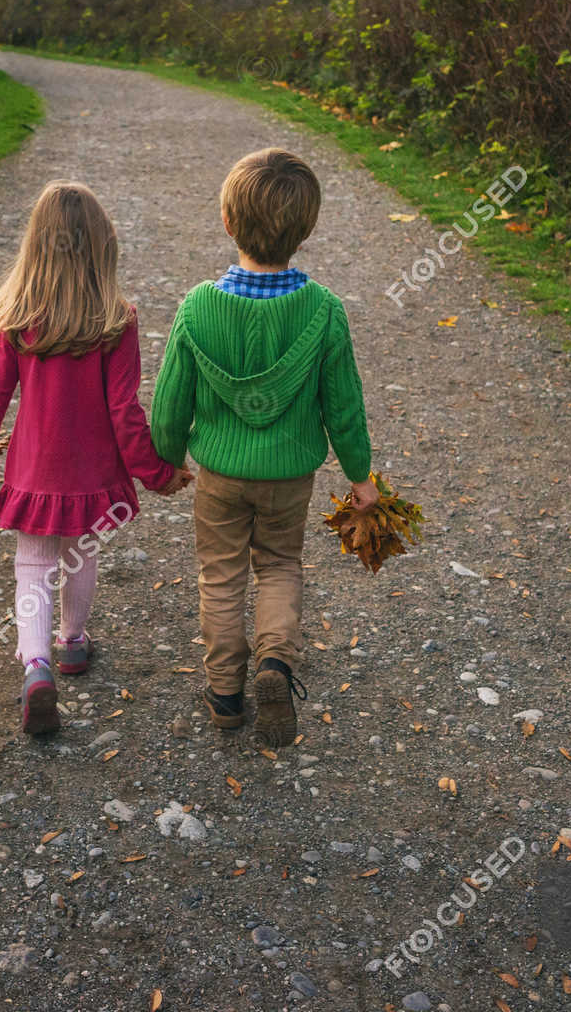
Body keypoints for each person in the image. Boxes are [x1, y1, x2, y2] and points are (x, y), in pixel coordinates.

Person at [0, 181, 192, 735]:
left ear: (35, 247)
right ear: (103, 247)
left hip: (36, 471)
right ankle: (73, 642)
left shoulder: (20, 320)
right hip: (96, 474)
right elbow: (125, 410)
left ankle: (36, 666)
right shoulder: (116, 320)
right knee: (82, 553)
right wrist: (155, 473)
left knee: (34, 564)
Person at [150, 148, 375, 746]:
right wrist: (361, 476)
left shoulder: (198, 307)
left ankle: (225, 694)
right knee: (278, 567)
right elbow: (344, 404)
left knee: (220, 579)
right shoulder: (323, 312)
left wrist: (166, 461)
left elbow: (171, 399)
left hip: (220, 475)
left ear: (228, 222)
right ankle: (275, 664)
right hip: (289, 476)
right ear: (306, 230)